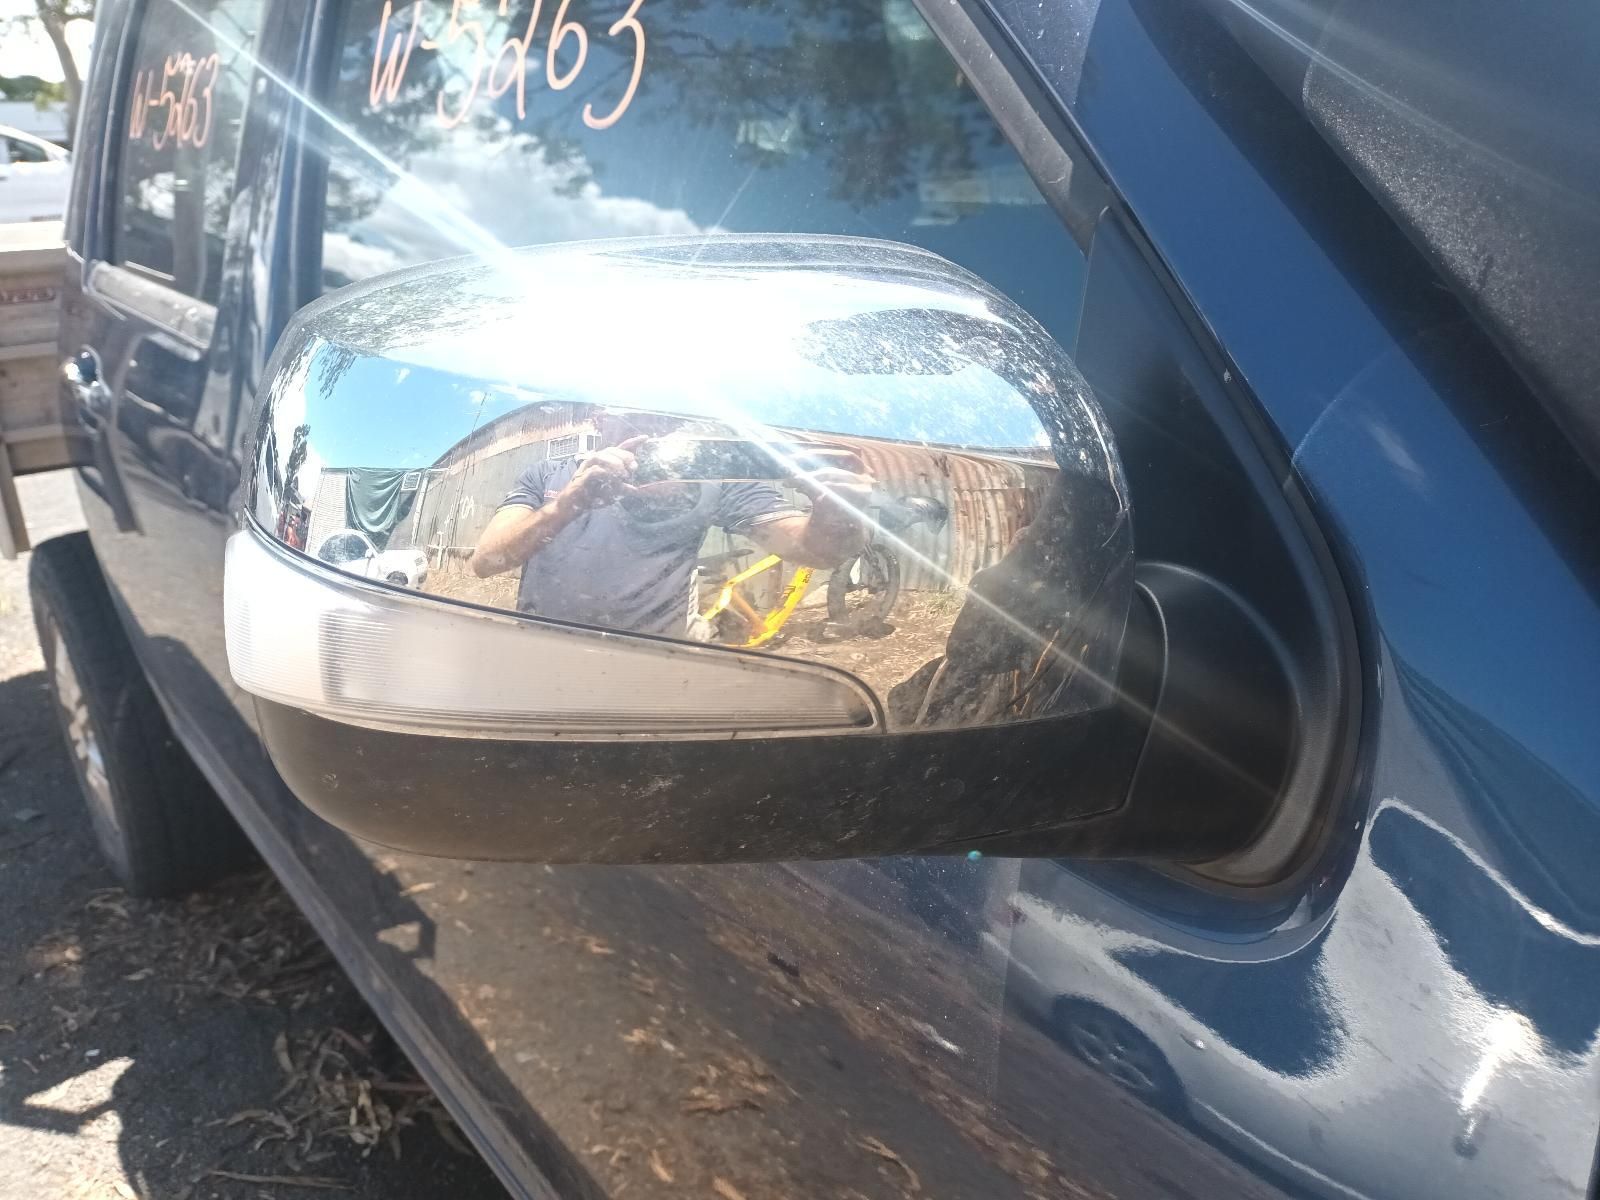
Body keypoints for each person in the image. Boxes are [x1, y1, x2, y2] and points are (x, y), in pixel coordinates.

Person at [470, 413, 871, 638]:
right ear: (598, 421)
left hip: (652, 662)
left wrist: (838, 508)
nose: (648, 433)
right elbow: (486, 561)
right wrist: (570, 502)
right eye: (631, 421)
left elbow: (817, 552)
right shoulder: (549, 474)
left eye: (662, 420)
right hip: (538, 649)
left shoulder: (710, 483)